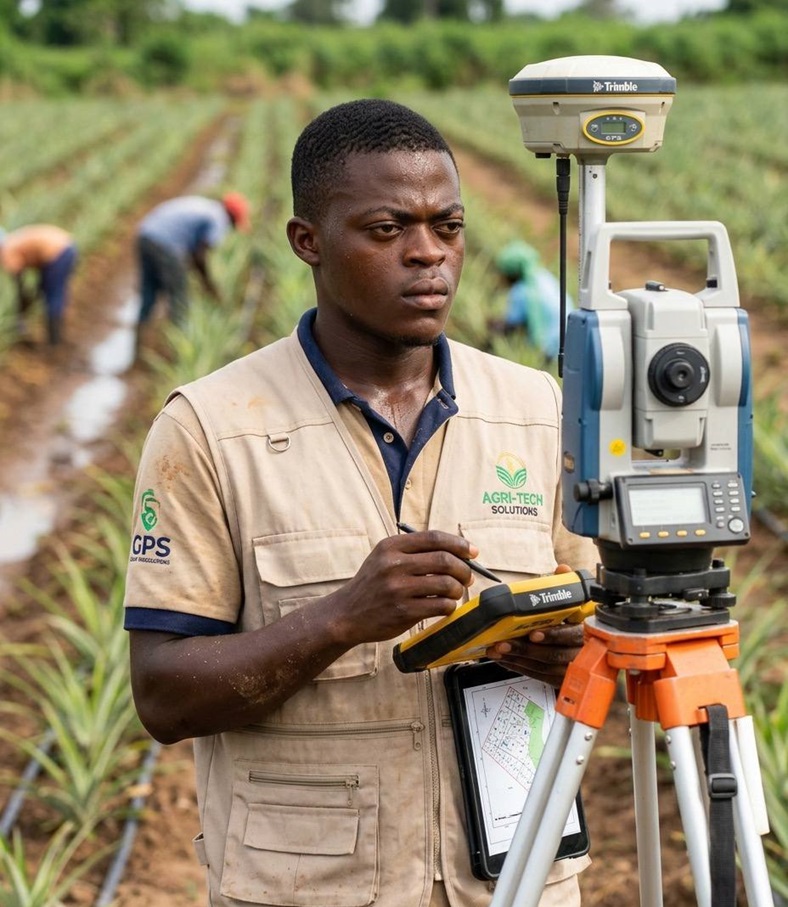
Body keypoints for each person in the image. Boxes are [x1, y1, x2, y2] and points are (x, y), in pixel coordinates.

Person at [124, 99, 598, 907]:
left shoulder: (539, 407)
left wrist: (566, 653)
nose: (429, 256)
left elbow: (596, 622)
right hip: (311, 884)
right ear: (307, 241)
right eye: (387, 230)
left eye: (447, 227)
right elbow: (164, 695)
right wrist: (342, 616)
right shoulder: (210, 429)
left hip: (516, 880)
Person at [134, 191, 250, 334]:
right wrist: (209, 285)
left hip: (146, 234)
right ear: (232, 217)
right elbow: (200, 257)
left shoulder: (207, 206)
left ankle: (140, 331)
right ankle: (179, 337)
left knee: (149, 287)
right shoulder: (218, 219)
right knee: (179, 292)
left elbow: (193, 252)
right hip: (166, 244)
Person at [490, 240, 572, 365]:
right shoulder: (543, 277)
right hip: (569, 341)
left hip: (550, 348)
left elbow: (511, 325)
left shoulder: (521, 290)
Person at [0, 224, 77, 346]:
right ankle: (57, 338)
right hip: (67, 247)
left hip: (57, 253)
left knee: (53, 295)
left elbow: (19, 284)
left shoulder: (7, 251)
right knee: (54, 291)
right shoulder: (13, 240)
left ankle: (54, 341)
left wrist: (22, 309)